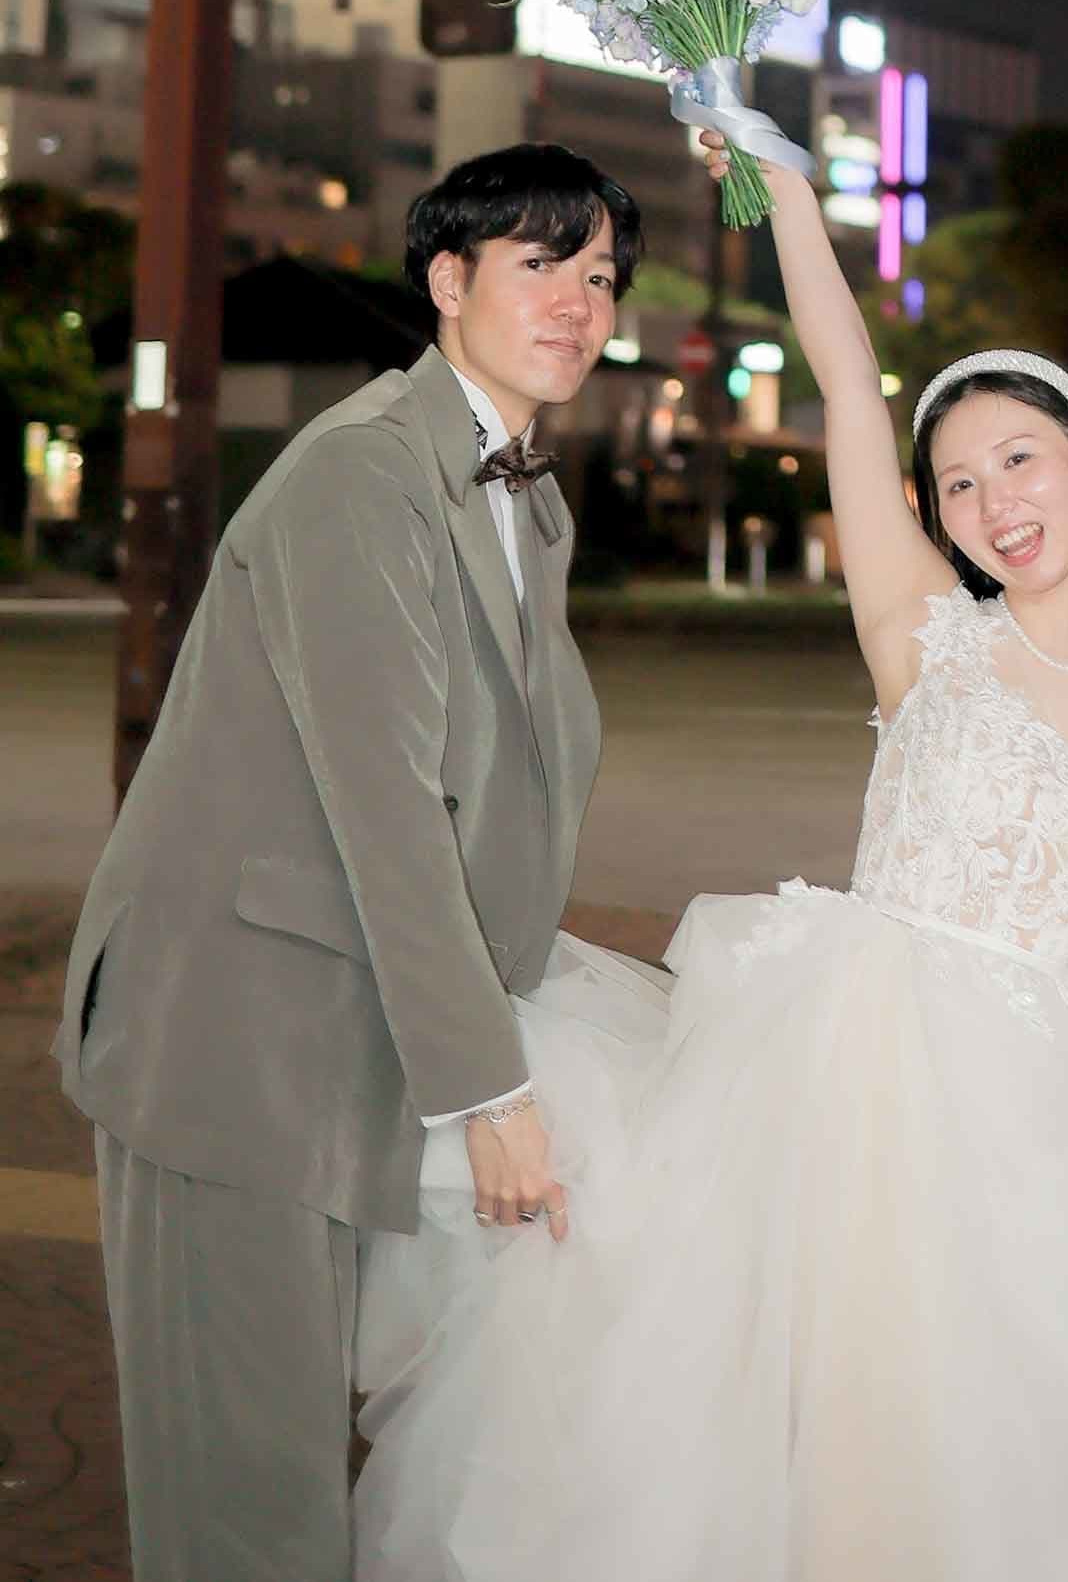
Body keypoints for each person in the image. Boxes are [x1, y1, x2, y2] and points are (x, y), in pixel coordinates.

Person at [350, 137, 1068, 1582]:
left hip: (1038, 1118)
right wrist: (787, 191)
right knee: (789, 1418)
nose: (993, 505)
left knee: (990, 1458)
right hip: (829, 1075)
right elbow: (850, 387)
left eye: (1019, 460)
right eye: (959, 483)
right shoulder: (925, 636)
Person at [55, 143, 637, 1582]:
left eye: (602, 274)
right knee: (245, 1504)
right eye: (538, 263)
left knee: (312, 1486)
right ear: (446, 281)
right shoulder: (362, 476)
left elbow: (496, 800)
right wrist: (490, 1085)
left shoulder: (521, 501)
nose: (578, 301)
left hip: (348, 1035)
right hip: (230, 1036)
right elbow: (386, 802)